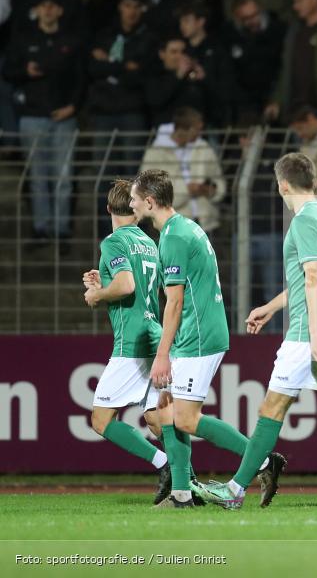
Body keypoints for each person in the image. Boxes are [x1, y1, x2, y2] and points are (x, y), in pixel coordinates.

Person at [199, 152, 317, 510]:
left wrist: (315, 334)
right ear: (314, 182)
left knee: (272, 408)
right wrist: (272, 307)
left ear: (282, 185)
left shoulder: (304, 221)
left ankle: (235, 490)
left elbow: (315, 277)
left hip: (309, 334)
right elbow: (311, 278)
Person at [129, 169, 281, 509]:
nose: (132, 204)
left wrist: (162, 354)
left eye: (135, 199)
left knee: (184, 417)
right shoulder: (183, 227)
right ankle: (182, 494)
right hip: (194, 333)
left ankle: (261, 460)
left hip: (197, 336)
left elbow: (176, 301)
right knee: (165, 410)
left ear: (150, 202)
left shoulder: (174, 238)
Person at [82, 180, 169, 505]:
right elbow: (148, 286)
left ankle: (165, 465)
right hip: (155, 338)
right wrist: (105, 281)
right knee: (157, 419)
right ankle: (185, 480)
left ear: (108, 209)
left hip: (131, 345)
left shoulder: (113, 241)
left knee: (101, 420)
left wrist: (98, 293)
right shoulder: (149, 242)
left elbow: (128, 285)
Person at [4, 0, 83, 244]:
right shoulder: (23, 39)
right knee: (38, 177)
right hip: (32, 117)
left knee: (63, 177)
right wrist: (25, 70)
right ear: (36, 10)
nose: (48, 9)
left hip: (64, 118)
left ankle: (61, 230)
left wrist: (73, 107)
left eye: (52, 5)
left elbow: (82, 78)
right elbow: (8, 71)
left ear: (59, 10)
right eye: (43, 5)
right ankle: (41, 228)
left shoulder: (71, 40)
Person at [85, 0, 155, 178]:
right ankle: (104, 209)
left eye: (136, 7)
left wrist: (108, 62)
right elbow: (93, 69)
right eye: (127, 6)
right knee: (104, 170)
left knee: (133, 170)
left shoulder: (148, 38)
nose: (131, 11)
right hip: (103, 110)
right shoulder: (104, 34)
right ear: (119, 7)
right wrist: (125, 66)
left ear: (143, 9)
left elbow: (141, 75)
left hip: (132, 111)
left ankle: (135, 209)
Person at [138, 107, 226, 238]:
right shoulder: (156, 153)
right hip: (171, 227)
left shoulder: (204, 148)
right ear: (183, 130)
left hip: (205, 225)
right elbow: (148, 189)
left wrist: (212, 190)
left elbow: (219, 181)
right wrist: (187, 189)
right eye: (197, 130)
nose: (199, 134)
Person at [222, 0, 287, 126]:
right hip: (245, 106)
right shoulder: (230, 37)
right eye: (246, 18)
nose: (252, 21)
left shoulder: (279, 31)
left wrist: (276, 99)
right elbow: (230, 74)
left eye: (255, 15)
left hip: (274, 101)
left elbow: (284, 69)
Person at [178, 1, 237, 128]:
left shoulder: (218, 50)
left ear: (200, 22)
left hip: (211, 118)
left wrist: (205, 78)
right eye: (181, 21)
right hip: (183, 120)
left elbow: (227, 88)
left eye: (187, 21)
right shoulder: (180, 50)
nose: (182, 26)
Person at [145, 35, 211, 128]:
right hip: (167, 133)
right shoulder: (154, 75)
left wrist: (204, 80)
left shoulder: (193, 74)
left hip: (196, 131)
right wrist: (178, 75)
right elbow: (156, 100)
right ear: (162, 54)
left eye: (183, 52)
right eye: (174, 52)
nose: (179, 56)